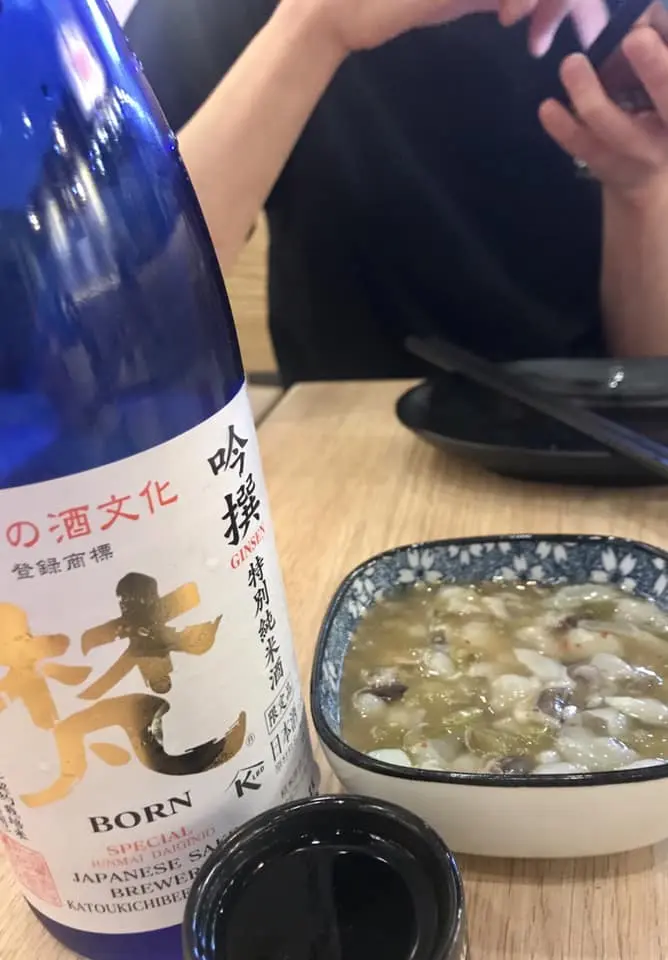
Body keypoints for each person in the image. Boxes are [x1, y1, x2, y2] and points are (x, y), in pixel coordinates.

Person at [122, 0, 668, 385]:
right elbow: (127, 325)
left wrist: (641, 190)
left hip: (596, 438)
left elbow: (651, 377)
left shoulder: (637, 21)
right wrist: (314, 26)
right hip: (339, 442)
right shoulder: (206, 13)